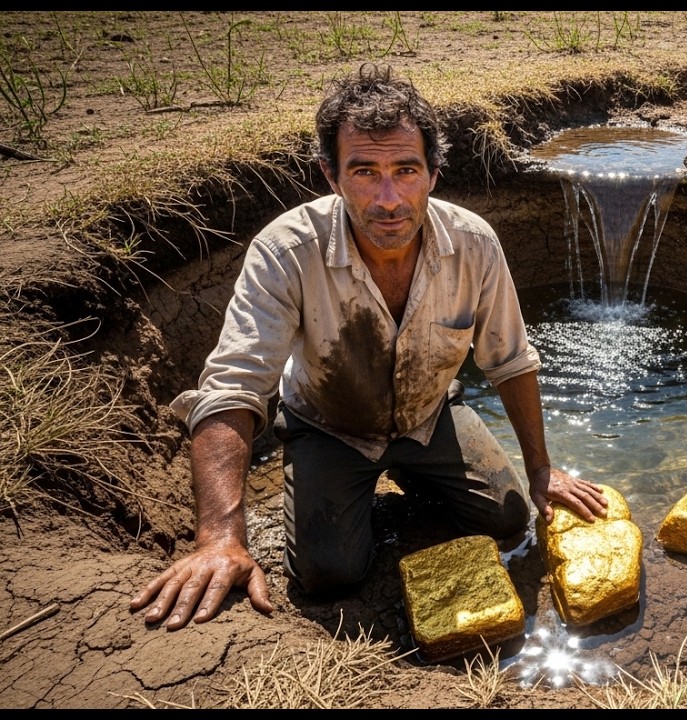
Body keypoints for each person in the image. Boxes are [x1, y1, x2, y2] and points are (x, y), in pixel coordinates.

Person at [130, 63, 609, 631]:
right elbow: (233, 386)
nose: (388, 198)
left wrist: (542, 469)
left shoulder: (474, 244)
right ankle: (343, 490)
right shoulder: (286, 251)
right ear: (331, 176)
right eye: (364, 171)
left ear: (432, 174)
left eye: (406, 170)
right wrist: (219, 537)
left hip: (430, 417)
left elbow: (510, 360)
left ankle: (408, 476)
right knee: (329, 573)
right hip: (328, 425)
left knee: (507, 519)